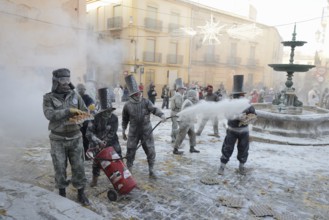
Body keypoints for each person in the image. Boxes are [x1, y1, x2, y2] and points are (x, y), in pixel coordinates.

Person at [42, 68, 90, 206]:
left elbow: (85, 112)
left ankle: (81, 193)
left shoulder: (75, 95)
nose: (65, 83)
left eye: (67, 80)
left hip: (75, 138)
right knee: (59, 167)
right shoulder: (48, 98)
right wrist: (68, 111)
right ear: (56, 82)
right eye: (62, 80)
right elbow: (49, 114)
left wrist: (81, 117)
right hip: (58, 139)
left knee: (79, 166)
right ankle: (62, 193)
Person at [122, 75, 166, 178]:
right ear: (132, 95)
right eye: (135, 94)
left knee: (150, 150)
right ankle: (129, 170)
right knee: (130, 150)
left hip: (147, 130)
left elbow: (154, 109)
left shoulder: (146, 102)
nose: (138, 95)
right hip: (133, 132)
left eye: (139, 93)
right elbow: (124, 119)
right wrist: (124, 130)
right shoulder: (127, 105)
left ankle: (151, 170)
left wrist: (161, 115)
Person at [218, 75, 257, 176]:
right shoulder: (230, 104)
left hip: (244, 131)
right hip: (232, 129)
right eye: (238, 95)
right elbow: (226, 115)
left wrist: (249, 118)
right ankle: (222, 166)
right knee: (228, 147)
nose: (239, 97)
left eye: (241, 95)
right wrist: (236, 116)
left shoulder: (247, 105)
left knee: (244, 148)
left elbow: (254, 116)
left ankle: (241, 166)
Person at [86, 88, 122, 187]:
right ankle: (95, 180)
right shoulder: (94, 118)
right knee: (97, 161)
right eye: (106, 111)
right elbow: (88, 133)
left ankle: (121, 179)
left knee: (118, 159)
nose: (108, 113)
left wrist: (105, 141)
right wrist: (98, 142)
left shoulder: (114, 118)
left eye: (110, 111)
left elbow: (112, 132)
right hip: (97, 142)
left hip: (112, 141)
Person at [172, 89, 200, 155]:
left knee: (192, 134)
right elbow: (187, 113)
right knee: (181, 135)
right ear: (192, 95)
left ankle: (192, 147)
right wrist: (193, 118)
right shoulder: (188, 102)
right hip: (184, 121)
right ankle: (175, 149)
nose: (196, 96)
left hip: (190, 122)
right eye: (195, 95)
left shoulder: (190, 101)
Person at [76, 83, 96, 160]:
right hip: (77, 122)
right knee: (78, 140)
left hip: (86, 122)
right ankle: (80, 157)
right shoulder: (75, 98)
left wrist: (91, 106)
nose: (81, 91)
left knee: (86, 140)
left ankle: (87, 156)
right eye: (80, 90)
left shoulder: (87, 98)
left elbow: (92, 104)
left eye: (82, 89)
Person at [170, 78, 187, 143]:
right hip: (176, 112)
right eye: (183, 89)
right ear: (179, 89)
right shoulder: (178, 95)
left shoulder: (177, 95)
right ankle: (174, 138)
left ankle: (175, 136)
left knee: (176, 125)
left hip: (175, 112)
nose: (184, 91)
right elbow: (178, 104)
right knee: (175, 126)